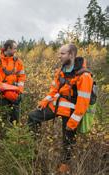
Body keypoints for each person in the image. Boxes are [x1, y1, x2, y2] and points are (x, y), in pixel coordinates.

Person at [27, 44, 93, 173]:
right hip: (57, 106)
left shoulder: (84, 76)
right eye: (59, 53)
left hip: (72, 112)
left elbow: (83, 102)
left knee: (68, 141)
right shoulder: (61, 71)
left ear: (71, 55)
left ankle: (64, 167)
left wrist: (73, 122)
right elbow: (54, 89)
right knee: (33, 116)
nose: (59, 56)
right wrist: (44, 101)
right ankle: (34, 148)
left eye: (62, 54)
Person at [0, 40, 26, 124]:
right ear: (8, 48)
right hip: (2, 95)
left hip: (15, 94)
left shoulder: (18, 62)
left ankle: (15, 136)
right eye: (14, 48)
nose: (16, 50)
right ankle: (2, 136)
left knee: (16, 119)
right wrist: (1, 85)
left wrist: (20, 91)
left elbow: (21, 77)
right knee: (2, 118)